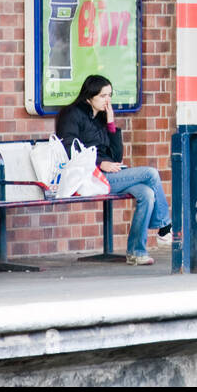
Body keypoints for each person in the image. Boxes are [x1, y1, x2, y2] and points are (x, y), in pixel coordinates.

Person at [55, 74, 173, 265]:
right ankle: (164, 228)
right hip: (88, 177)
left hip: (109, 174)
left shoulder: (101, 117)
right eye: (102, 96)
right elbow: (69, 148)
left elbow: (116, 156)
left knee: (148, 193)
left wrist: (111, 124)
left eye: (109, 95)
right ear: (89, 96)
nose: (107, 100)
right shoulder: (72, 114)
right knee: (151, 173)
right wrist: (99, 164)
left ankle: (137, 252)